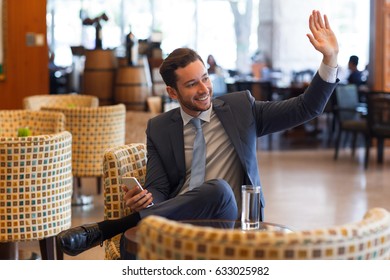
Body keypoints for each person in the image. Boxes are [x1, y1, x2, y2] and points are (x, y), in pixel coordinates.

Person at [57, 10, 339, 258]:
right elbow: (159, 187)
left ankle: (108, 230)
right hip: (178, 224)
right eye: (192, 84)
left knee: (219, 189)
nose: (204, 88)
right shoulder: (159, 127)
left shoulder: (242, 109)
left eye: (205, 77)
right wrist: (146, 198)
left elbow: (307, 107)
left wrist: (329, 58)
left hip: (231, 224)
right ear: (172, 92)